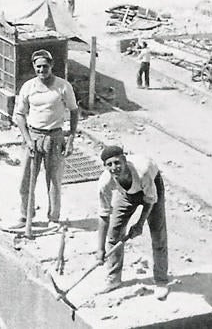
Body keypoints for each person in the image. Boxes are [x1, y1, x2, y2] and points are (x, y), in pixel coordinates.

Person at [14, 49, 79, 227]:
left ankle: (53, 218)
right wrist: (27, 139)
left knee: (54, 180)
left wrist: (71, 139)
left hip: (55, 137)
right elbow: (19, 115)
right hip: (33, 136)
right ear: (34, 67)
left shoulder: (63, 86)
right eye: (38, 67)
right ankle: (26, 215)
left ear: (51, 66)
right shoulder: (28, 87)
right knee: (26, 180)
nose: (42, 70)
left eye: (45, 66)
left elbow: (74, 111)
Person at [96, 145, 168, 292]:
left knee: (157, 233)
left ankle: (161, 280)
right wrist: (100, 249)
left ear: (124, 160)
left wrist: (139, 224)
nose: (114, 167)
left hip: (152, 187)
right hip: (127, 193)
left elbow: (150, 200)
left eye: (117, 163)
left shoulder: (143, 171)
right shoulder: (105, 182)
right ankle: (113, 279)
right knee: (114, 233)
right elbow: (104, 215)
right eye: (109, 165)